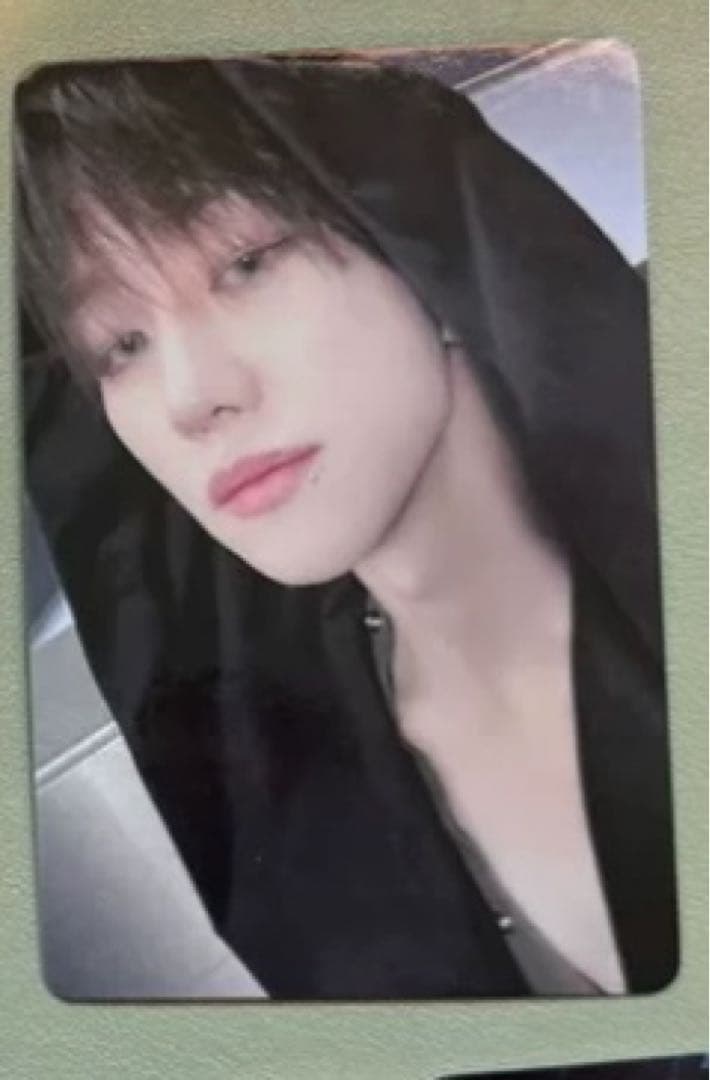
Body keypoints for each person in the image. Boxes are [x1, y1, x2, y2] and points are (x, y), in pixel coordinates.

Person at [15, 55, 677, 999]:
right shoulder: (285, 805)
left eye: (247, 263)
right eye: (120, 345)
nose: (191, 396)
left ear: (412, 238)